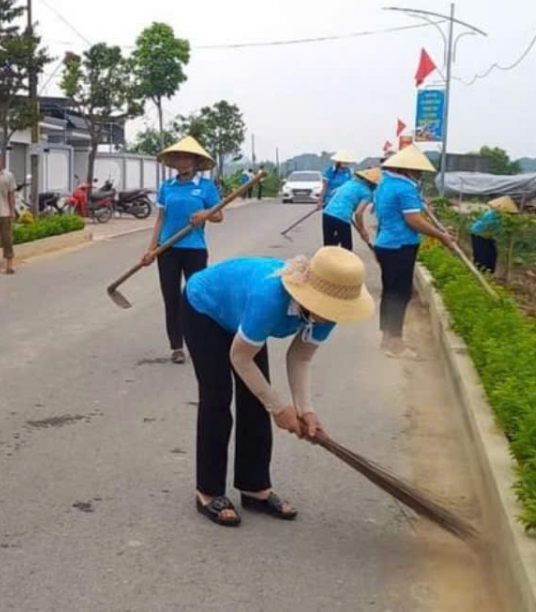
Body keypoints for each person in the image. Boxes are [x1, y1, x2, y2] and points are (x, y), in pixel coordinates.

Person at [181, 247, 374, 526]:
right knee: (217, 397)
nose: (330, 315)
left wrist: (305, 411)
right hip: (205, 308)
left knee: (256, 400)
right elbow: (240, 357)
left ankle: (254, 487)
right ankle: (208, 491)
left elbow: (300, 356)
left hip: (242, 317)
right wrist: (279, 408)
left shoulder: (330, 311)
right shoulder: (270, 297)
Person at [142, 136, 223, 365]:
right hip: (167, 249)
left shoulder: (205, 187)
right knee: (171, 298)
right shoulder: (167, 187)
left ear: (195, 161)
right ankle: (177, 347)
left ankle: (200, 341)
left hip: (195, 249)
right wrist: (151, 249)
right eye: (178, 156)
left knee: (196, 296)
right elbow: (160, 219)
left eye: (186, 156)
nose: (181, 160)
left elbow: (219, 215)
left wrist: (205, 215)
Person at [372, 145, 454, 360]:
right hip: (400, 246)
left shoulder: (385, 184)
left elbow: (399, 211)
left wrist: (419, 203)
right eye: (418, 172)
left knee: (390, 293)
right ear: (407, 169)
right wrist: (441, 236)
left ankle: (388, 338)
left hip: (385, 244)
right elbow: (414, 220)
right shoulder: (405, 188)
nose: (419, 175)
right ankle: (396, 344)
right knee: (400, 294)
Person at [322, 167, 381, 250]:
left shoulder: (349, 183)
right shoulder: (367, 193)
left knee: (328, 246)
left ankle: (326, 261)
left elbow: (334, 193)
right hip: (342, 217)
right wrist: (362, 230)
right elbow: (358, 213)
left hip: (327, 213)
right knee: (347, 248)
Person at [470, 196, 519, 273]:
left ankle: (486, 271)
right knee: (482, 254)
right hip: (479, 234)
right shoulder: (493, 215)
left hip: (487, 235)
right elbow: (489, 229)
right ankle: (480, 272)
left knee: (491, 254)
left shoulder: (498, 215)